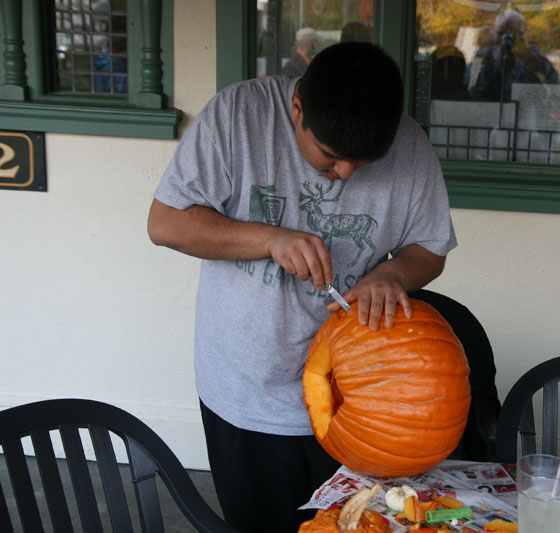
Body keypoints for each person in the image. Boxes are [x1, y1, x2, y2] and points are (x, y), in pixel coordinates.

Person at [147, 42, 457, 532]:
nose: (346, 174)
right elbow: (165, 223)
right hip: (247, 395)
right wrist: (269, 238)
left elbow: (430, 249)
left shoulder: (411, 143)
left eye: (365, 162)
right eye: (331, 157)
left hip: (368, 402)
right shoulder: (237, 116)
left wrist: (395, 274)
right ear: (297, 109)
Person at [469, 9, 559, 101]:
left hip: (523, 111)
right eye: (501, 33)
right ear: (495, 33)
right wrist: (496, 60)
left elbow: (552, 79)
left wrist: (528, 56)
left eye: (512, 34)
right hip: (492, 111)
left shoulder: (529, 54)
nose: (506, 39)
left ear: (521, 35)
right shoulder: (485, 55)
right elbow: (475, 94)